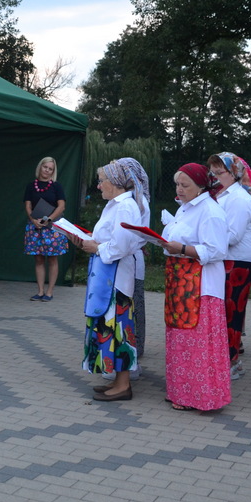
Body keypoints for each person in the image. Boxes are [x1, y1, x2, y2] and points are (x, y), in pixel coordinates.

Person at [72, 158, 150, 402]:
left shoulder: (125, 207)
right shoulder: (115, 205)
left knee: (119, 328)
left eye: (101, 181)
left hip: (116, 278)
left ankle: (124, 384)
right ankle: (118, 379)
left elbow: (121, 245)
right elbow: (108, 238)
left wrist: (95, 247)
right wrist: (88, 240)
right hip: (108, 274)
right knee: (108, 325)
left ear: (115, 182)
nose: (99, 186)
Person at [158, 163, 231, 412]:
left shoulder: (210, 211)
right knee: (180, 338)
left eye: (185, 185)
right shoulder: (185, 209)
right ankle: (181, 391)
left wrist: (180, 248)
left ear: (201, 186)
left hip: (202, 286)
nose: (179, 189)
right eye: (177, 184)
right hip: (181, 281)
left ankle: (200, 396)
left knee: (196, 342)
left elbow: (216, 250)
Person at [208, 152, 251, 381]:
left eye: (220, 172)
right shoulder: (226, 194)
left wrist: (202, 238)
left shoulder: (238, 198)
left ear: (234, 172)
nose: (216, 176)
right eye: (214, 172)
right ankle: (229, 360)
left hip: (238, 260)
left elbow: (233, 235)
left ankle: (231, 362)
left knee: (232, 313)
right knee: (225, 312)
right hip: (229, 257)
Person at [23, 156, 67, 301]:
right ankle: (40, 291)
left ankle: (49, 292)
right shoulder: (31, 186)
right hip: (35, 227)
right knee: (39, 259)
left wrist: (49, 218)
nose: (47, 171)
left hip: (52, 227)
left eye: (50, 169)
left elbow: (61, 206)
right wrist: (33, 220)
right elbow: (28, 206)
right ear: (40, 167)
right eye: (45, 167)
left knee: (52, 259)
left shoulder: (56, 186)